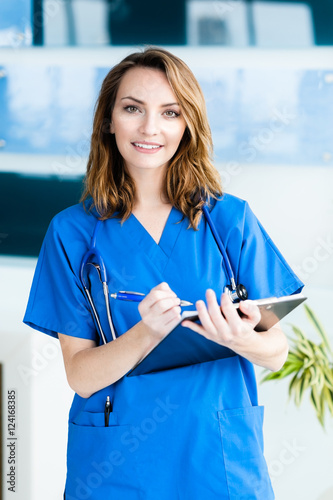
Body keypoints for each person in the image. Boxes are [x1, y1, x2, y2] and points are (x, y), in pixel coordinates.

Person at [24, 46, 303, 499]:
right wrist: (146, 333)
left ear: (188, 125)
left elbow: (275, 352)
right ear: (108, 120)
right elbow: (80, 375)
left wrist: (238, 338)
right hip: (117, 468)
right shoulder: (72, 234)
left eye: (170, 113)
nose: (150, 128)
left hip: (219, 461)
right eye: (133, 108)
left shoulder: (229, 220)